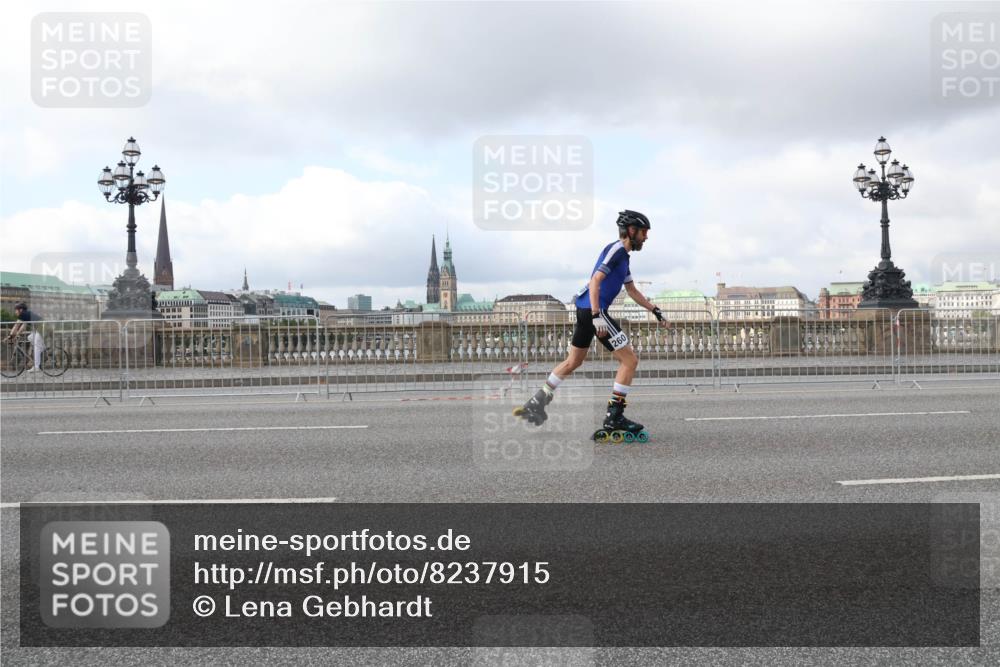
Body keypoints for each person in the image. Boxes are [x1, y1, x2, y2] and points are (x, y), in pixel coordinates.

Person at [514, 210, 669, 439]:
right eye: (644, 232)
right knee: (630, 360)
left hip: (585, 309)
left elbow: (632, 290)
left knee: (573, 361)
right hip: (594, 310)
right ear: (631, 231)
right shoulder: (616, 249)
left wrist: (654, 310)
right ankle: (614, 416)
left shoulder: (624, 258)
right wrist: (597, 315)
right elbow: (595, 280)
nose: (646, 237)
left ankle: (537, 402)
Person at [6, 302, 45, 372]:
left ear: (20, 310)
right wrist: (16, 335)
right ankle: (43, 351)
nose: (15, 312)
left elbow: (16, 326)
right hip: (40, 328)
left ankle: (37, 367)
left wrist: (11, 336)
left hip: (42, 328)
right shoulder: (26, 314)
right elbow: (23, 327)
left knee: (37, 347)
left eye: (16, 310)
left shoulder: (23, 314)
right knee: (30, 337)